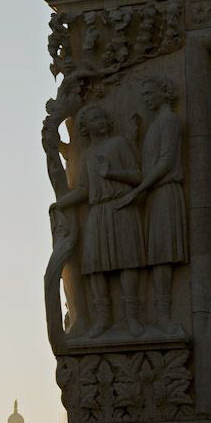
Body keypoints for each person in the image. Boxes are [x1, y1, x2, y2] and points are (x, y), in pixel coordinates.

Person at [51, 104, 145, 337]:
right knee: (94, 266)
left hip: (122, 207)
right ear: (86, 127)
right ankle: (103, 318)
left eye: (103, 115)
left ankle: (132, 318)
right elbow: (84, 188)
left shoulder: (119, 144)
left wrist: (111, 173)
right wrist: (62, 203)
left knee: (127, 262)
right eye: (95, 117)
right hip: (98, 212)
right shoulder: (86, 156)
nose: (101, 119)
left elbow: (137, 176)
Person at [111, 75, 187, 334]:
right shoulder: (155, 124)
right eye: (143, 94)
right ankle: (154, 315)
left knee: (163, 254)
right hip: (152, 195)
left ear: (163, 93)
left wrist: (138, 191)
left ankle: (163, 316)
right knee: (155, 255)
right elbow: (145, 168)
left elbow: (165, 162)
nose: (146, 98)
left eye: (149, 92)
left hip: (164, 193)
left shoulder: (169, 121)